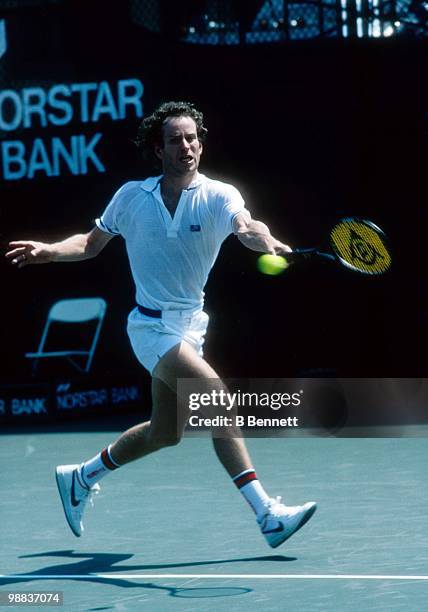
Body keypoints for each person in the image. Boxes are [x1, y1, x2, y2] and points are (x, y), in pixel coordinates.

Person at [6, 101, 316, 548]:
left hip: (191, 328)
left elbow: (247, 226)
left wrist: (267, 240)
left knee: (165, 433)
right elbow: (91, 244)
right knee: (218, 399)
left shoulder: (219, 195)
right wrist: (50, 251)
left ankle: (81, 476)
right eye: (175, 140)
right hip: (150, 328)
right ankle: (266, 514)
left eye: (192, 138)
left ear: (201, 145)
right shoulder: (132, 197)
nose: (186, 146)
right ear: (159, 149)